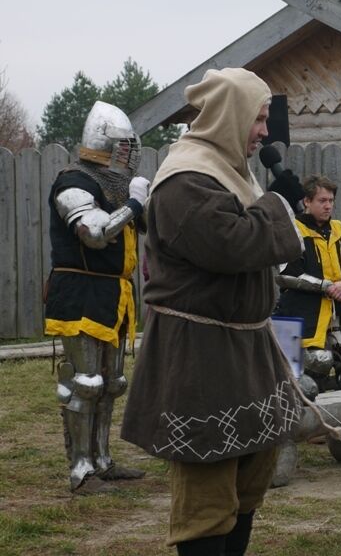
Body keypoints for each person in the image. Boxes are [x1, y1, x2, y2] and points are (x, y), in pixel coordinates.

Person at [121, 67, 305, 556]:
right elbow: (233, 244)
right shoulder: (185, 179)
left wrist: (269, 207)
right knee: (207, 494)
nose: (265, 131)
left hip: (244, 346)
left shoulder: (228, 171)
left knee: (247, 483)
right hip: (199, 354)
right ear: (231, 115)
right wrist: (278, 205)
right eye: (259, 119)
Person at [44, 100, 150, 494]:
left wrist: (141, 203)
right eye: (124, 146)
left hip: (114, 292)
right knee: (86, 382)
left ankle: (103, 460)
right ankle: (81, 470)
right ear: (106, 143)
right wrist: (136, 202)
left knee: (112, 382)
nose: (130, 153)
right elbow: (94, 232)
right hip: (80, 290)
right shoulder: (74, 181)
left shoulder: (116, 185)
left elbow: (144, 227)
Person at [275, 174, 341, 394]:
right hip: (306, 307)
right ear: (307, 201)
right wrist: (324, 286)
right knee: (319, 359)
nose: (328, 206)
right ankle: (309, 399)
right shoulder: (292, 229)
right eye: (322, 201)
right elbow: (285, 273)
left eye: (330, 200)